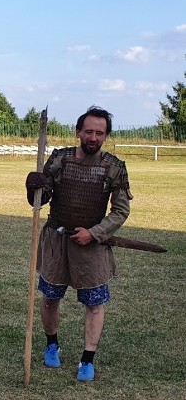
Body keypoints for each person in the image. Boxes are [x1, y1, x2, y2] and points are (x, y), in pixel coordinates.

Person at [25, 106, 132, 381]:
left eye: (99, 132)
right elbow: (42, 199)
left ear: (105, 136)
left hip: (91, 244)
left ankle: (87, 359)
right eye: (89, 131)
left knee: (95, 303)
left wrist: (95, 233)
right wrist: (33, 186)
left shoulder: (115, 167)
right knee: (50, 299)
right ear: (78, 132)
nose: (93, 137)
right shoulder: (60, 159)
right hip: (56, 240)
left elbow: (120, 211)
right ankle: (52, 345)